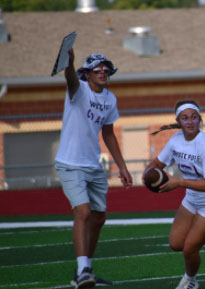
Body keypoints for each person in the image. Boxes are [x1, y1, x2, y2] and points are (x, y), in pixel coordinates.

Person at [55, 49, 132, 289]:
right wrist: (69, 62)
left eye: (105, 68)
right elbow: (69, 77)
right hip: (70, 163)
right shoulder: (78, 90)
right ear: (87, 73)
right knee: (84, 212)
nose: (102, 71)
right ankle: (83, 271)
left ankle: (85, 269)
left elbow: (108, 133)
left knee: (99, 217)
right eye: (96, 68)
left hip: (93, 165)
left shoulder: (110, 98)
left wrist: (122, 166)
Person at [142, 100, 205, 289]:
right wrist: (149, 175)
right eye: (185, 118)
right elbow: (157, 164)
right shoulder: (175, 140)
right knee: (176, 243)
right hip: (192, 199)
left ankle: (191, 281)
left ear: (199, 120)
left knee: (189, 248)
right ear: (178, 120)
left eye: (194, 117)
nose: (190, 122)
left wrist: (178, 182)